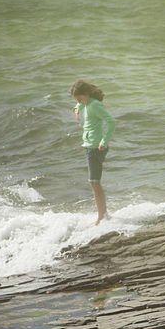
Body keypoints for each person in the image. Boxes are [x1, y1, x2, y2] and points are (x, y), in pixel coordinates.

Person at [70, 80, 115, 224]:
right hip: (90, 146)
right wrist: (77, 108)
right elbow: (80, 105)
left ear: (86, 94)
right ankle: (103, 214)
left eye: (79, 98)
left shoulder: (95, 105)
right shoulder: (86, 103)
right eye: (76, 100)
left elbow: (111, 121)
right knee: (94, 182)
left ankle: (102, 216)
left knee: (94, 183)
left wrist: (104, 141)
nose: (78, 102)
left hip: (96, 147)